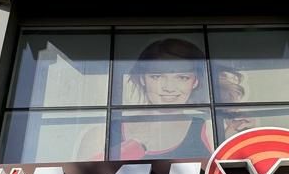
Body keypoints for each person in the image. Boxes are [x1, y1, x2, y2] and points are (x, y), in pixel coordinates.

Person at [81, 38, 252, 160]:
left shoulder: (211, 131)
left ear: (195, 82)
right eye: (157, 76)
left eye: (182, 77)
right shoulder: (101, 135)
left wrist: (231, 145)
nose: (169, 87)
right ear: (142, 79)